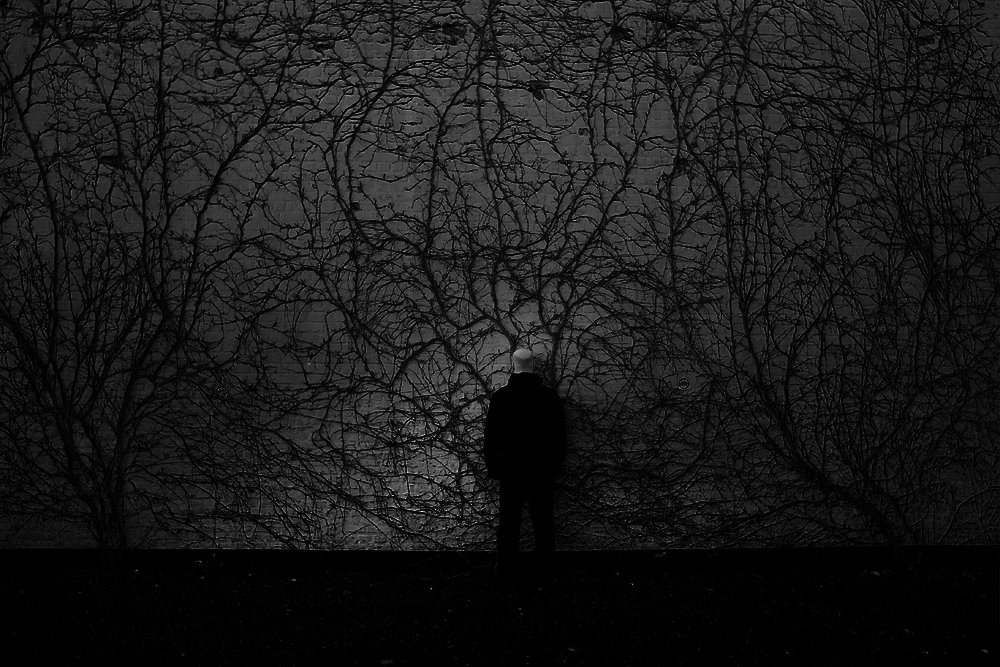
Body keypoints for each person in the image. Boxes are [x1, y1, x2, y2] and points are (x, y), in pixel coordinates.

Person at [484, 348, 567, 587]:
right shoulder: (549, 397)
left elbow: (491, 436)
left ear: (513, 365)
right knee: (543, 522)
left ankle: (505, 571)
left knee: (508, 523)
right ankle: (545, 572)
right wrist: (555, 466)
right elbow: (559, 436)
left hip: (510, 470)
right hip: (541, 470)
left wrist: (494, 467)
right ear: (533, 366)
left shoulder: (502, 397)